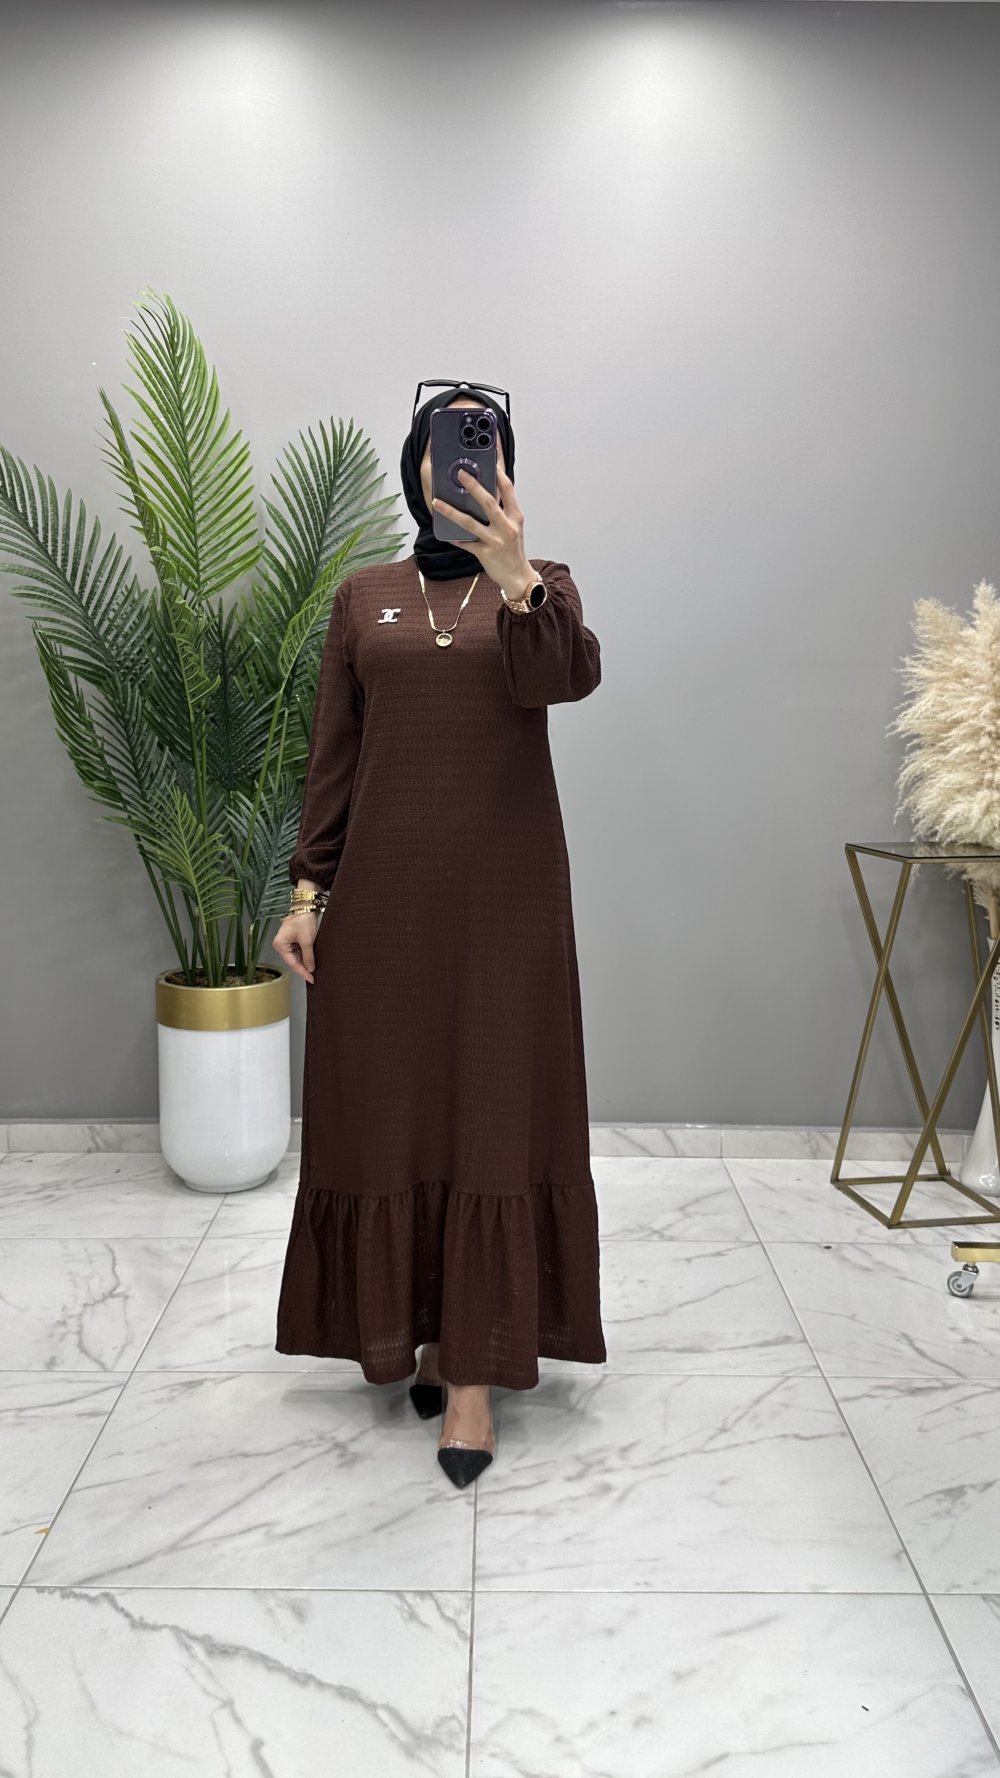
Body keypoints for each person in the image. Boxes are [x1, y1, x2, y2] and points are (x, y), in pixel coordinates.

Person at [272, 379, 606, 1487]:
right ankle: (417, 1328)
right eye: (446, 443)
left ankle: (471, 1374)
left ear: (504, 467)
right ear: (417, 463)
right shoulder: (362, 595)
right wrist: (308, 894)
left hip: (506, 909)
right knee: (396, 1113)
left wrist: (517, 577)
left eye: (484, 443)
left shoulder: (542, 586)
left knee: (492, 1114)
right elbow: (333, 756)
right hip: (383, 908)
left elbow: (564, 680)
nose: (462, 461)